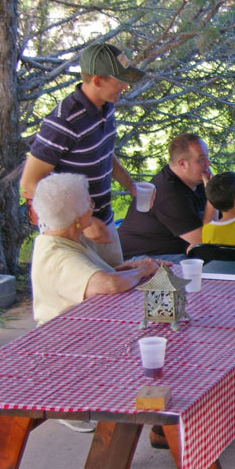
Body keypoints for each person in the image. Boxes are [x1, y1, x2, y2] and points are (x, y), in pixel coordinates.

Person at [20, 42, 145, 267]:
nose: (125, 87)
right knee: (89, 297)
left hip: (103, 222)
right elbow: (29, 182)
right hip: (72, 233)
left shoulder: (107, 107)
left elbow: (104, 151)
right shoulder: (63, 122)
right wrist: (83, 223)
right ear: (98, 81)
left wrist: (131, 185)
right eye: (119, 81)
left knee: (118, 288)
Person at [31, 173, 160, 326]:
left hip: (77, 326)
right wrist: (142, 271)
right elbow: (109, 284)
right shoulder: (60, 256)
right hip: (63, 335)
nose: (92, 208)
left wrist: (125, 268)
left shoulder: (61, 239)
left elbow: (85, 276)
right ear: (77, 219)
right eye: (89, 203)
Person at [117, 133, 216, 261]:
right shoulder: (168, 193)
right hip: (140, 258)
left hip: (173, 250)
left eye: (207, 157)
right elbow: (204, 240)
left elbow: (224, 221)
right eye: (201, 159)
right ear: (182, 164)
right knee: (204, 262)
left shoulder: (197, 181)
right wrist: (213, 197)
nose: (208, 163)